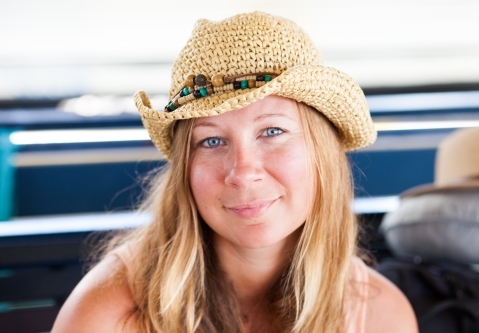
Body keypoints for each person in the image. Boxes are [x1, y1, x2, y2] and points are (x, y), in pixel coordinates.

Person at [52, 12, 417, 333]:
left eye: (272, 132)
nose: (242, 173)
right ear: (184, 169)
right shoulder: (109, 313)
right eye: (211, 141)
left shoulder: (382, 316)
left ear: (321, 151)